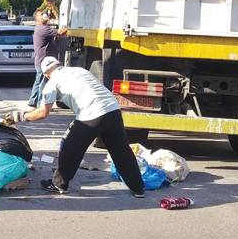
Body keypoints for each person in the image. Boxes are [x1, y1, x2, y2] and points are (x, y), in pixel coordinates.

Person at [10, 56, 145, 198]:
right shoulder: (80, 70)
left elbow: (42, 113)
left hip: (91, 113)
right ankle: (138, 188)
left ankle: (59, 184)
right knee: (121, 149)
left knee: (70, 147)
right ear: (59, 64)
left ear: (46, 74)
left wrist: (20, 116)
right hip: (112, 109)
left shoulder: (52, 83)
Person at [28, 9, 67, 108]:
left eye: (44, 14)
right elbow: (60, 32)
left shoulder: (40, 28)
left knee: (38, 81)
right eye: (41, 14)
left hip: (40, 61)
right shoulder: (43, 29)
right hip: (44, 62)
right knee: (43, 83)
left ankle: (32, 100)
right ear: (37, 19)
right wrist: (70, 29)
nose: (44, 15)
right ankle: (41, 104)